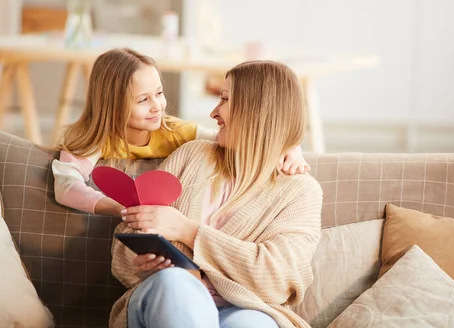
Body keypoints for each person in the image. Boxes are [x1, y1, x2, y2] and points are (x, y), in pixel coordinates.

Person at [110, 60, 323, 328]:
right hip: (168, 301)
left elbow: (278, 277)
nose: (214, 113)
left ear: (256, 110)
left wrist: (188, 231)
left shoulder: (299, 192)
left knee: (252, 325)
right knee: (176, 283)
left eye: (223, 99)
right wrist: (139, 263)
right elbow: (127, 238)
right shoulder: (192, 156)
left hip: (246, 310)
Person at [52, 49, 309, 217]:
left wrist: (291, 147)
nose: (157, 106)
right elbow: (66, 186)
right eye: (143, 99)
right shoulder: (92, 137)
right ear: (112, 104)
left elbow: (245, 134)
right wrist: (117, 208)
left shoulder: (175, 131)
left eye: (160, 93)